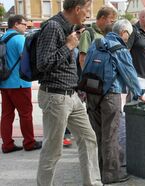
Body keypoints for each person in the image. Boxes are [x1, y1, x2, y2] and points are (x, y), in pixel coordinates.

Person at [36, 0, 101, 185]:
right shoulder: (53, 27)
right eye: (87, 10)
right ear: (77, 9)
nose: (88, 15)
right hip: (56, 96)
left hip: (71, 96)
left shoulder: (68, 28)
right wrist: (69, 46)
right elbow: (43, 63)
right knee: (52, 149)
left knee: (88, 138)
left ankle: (93, 183)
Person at [85, 19, 145, 184]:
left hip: (92, 93)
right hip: (110, 95)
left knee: (97, 134)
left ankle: (98, 171)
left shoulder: (96, 43)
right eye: (128, 35)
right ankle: (111, 175)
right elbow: (129, 73)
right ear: (124, 33)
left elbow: (85, 65)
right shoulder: (120, 49)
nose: (128, 39)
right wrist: (139, 94)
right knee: (111, 135)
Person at [0, 15, 42, 153]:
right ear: (16, 24)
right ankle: (29, 142)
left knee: (6, 114)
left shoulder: (3, 38)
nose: (26, 27)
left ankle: (7, 144)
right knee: (25, 114)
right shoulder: (19, 39)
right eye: (24, 24)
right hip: (19, 83)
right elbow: (27, 60)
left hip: (4, 82)